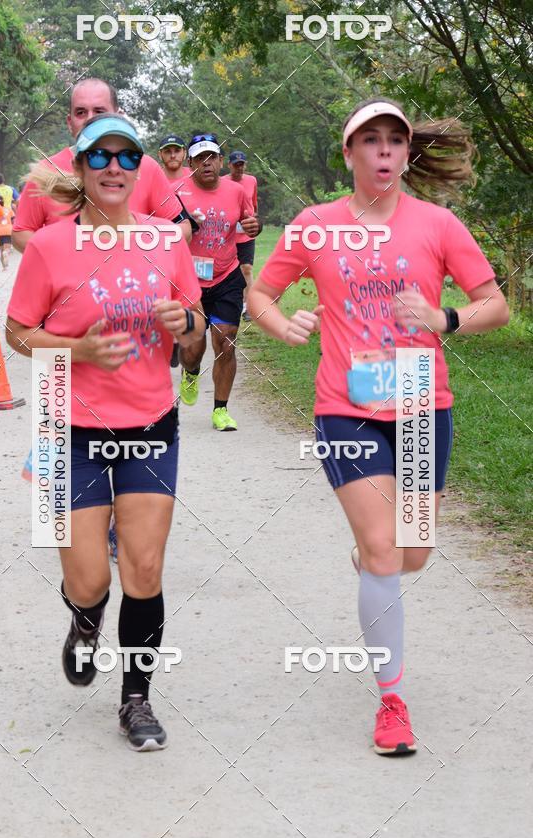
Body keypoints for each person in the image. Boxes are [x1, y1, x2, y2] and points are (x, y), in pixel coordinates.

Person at [247, 97, 509, 755]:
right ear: (350, 154)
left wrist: (442, 318)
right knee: (386, 548)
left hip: (422, 402)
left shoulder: (438, 224)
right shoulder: (314, 226)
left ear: (406, 153)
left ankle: (372, 558)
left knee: (409, 553)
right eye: (371, 141)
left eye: (395, 140)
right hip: (346, 405)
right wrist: (284, 326)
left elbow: (495, 305)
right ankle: (392, 701)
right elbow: (259, 293)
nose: (385, 151)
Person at [6, 113, 204, 751]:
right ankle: (84, 622)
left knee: (144, 568)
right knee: (90, 578)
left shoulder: (166, 241)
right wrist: (78, 351)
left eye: (126, 156)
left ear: (139, 168)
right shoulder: (50, 246)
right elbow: (18, 333)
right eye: (100, 157)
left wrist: (187, 325)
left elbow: (198, 336)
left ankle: (137, 702)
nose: (114, 167)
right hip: (66, 425)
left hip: (150, 422)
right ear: (83, 170)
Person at [12, 78, 191, 252]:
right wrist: (64, 256)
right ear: (70, 122)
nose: (90, 120)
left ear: (118, 116)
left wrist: (133, 245)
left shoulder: (146, 166)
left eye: (99, 111)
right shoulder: (46, 171)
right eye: (81, 112)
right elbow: (20, 232)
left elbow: (183, 229)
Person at [178, 132, 259, 431]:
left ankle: (220, 410)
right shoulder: (175, 191)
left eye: (212, 156)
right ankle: (190, 371)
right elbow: (159, 230)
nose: (207, 162)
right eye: (200, 158)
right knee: (192, 349)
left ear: (221, 161)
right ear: (191, 163)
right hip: (188, 280)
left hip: (226, 276)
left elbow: (250, 224)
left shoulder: (236, 191)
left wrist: (256, 226)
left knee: (226, 341)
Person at [158, 134, 195, 369]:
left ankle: (188, 345)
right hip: (164, 248)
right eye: (167, 151)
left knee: (190, 300)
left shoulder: (195, 178)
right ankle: (171, 342)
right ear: (160, 154)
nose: (172, 155)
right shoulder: (155, 179)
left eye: (177, 150)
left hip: (196, 249)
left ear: (184, 154)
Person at [223, 151, 259, 321]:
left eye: (242, 164)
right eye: (236, 164)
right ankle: (227, 303)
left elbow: (254, 203)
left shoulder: (251, 180)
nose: (239, 168)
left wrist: (252, 220)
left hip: (246, 233)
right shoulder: (222, 182)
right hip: (228, 233)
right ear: (229, 165)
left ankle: (249, 307)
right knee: (227, 270)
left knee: (246, 268)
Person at [0, 195, 14, 270]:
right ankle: (6, 252)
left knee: (1, 249)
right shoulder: (8, 209)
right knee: (7, 248)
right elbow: (13, 219)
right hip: (8, 230)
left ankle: (4, 267)